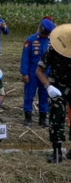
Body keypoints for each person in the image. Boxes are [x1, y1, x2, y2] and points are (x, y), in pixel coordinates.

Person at [36, 24, 71, 163]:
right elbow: (39, 71)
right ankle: (57, 153)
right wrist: (48, 86)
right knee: (56, 118)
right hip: (58, 87)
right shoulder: (54, 49)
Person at [21, 18, 56, 127]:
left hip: (46, 73)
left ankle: (42, 118)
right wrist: (24, 73)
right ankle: (28, 117)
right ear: (41, 29)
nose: (45, 35)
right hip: (32, 72)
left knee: (44, 95)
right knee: (29, 95)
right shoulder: (30, 40)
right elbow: (25, 58)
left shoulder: (52, 42)